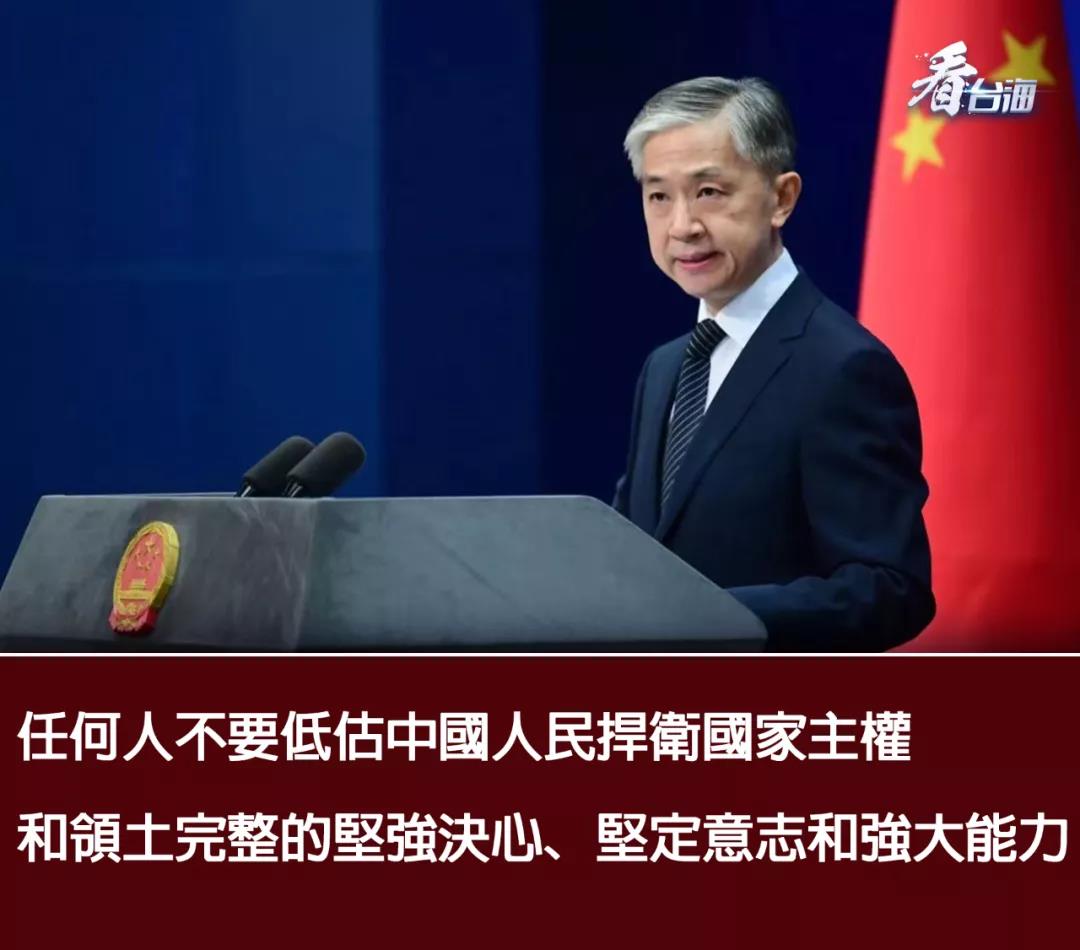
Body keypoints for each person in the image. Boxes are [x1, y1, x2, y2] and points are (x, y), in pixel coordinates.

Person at [613, 76, 934, 651]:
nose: (682, 225)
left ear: (781, 198)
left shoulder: (843, 368)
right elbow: (639, 551)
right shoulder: (665, 367)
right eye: (659, 197)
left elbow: (889, 590)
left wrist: (711, 616)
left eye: (709, 192)